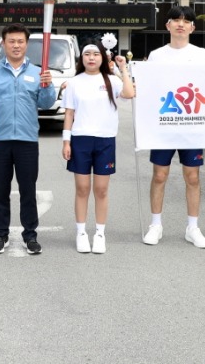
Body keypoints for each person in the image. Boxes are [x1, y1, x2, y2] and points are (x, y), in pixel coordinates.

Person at [0, 23, 55, 255]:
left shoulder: (37, 72)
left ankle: (30, 236)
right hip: (0, 140)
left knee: (28, 191)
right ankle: (1, 234)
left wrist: (48, 85)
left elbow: (46, 103)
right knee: (1, 191)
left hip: (27, 141)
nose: (16, 45)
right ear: (4, 44)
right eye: (12, 41)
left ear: (26, 44)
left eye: (20, 41)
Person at [143, 6, 205, 249]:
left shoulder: (202, 55)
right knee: (159, 175)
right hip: (164, 125)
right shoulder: (156, 56)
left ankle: (193, 228)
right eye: (176, 20)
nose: (181, 24)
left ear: (193, 27)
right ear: (168, 25)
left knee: (192, 176)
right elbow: (148, 88)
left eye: (186, 21)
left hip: (192, 127)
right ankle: (155, 225)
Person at [61, 43, 134, 254]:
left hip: (105, 140)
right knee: (82, 188)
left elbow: (129, 93)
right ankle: (81, 232)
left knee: (101, 190)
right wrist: (66, 142)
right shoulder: (74, 83)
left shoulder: (111, 80)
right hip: (80, 139)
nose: (91, 58)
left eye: (95, 54)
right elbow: (69, 114)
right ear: (81, 58)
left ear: (102, 58)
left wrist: (123, 68)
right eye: (87, 54)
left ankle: (100, 234)